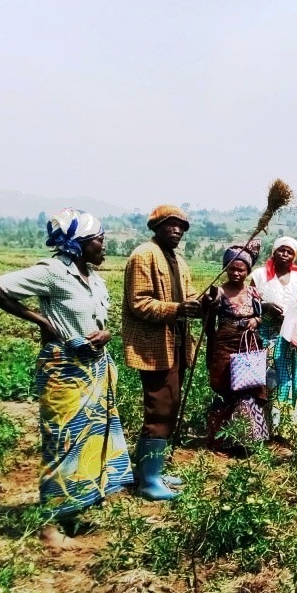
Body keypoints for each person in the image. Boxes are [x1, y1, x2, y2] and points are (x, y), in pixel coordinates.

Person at [0, 209, 132, 550]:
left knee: (92, 439)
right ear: (79, 243)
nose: (104, 245)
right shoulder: (52, 272)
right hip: (64, 369)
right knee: (62, 443)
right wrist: (42, 321)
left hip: (95, 367)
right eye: (99, 239)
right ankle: (49, 527)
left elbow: (96, 320)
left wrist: (105, 334)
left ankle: (76, 508)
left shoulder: (94, 278)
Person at [122, 204, 202, 500]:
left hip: (177, 345)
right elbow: (139, 303)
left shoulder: (178, 261)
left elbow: (189, 296)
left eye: (181, 226)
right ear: (156, 227)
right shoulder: (144, 255)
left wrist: (203, 302)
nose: (177, 230)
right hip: (155, 348)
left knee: (170, 406)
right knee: (159, 409)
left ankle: (152, 470)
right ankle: (148, 480)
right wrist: (178, 309)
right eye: (171, 224)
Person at [204, 242, 268, 452]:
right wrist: (208, 308)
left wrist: (255, 321)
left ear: (248, 271)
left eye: (240, 269)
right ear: (225, 268)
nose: (236, 273)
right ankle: (222, 440)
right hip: (224, 344)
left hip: (248, 344)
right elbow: (208, 324)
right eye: (231, 268)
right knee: (225, 387)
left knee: (248, 388)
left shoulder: (253, 293)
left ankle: (246, 440)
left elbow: (260, 316)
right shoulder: (218, 292)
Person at [249, 236, 297, 436]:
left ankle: (281, 428)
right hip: (263, 336)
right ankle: (259, 427)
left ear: (294, 256)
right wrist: (265, 306)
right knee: (262, 380)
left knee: (285, 381)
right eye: (281, 250)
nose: (285, 254)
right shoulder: (260, 275)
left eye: (289, 252)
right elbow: (248, 303)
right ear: (274, 252)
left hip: (287, 339)